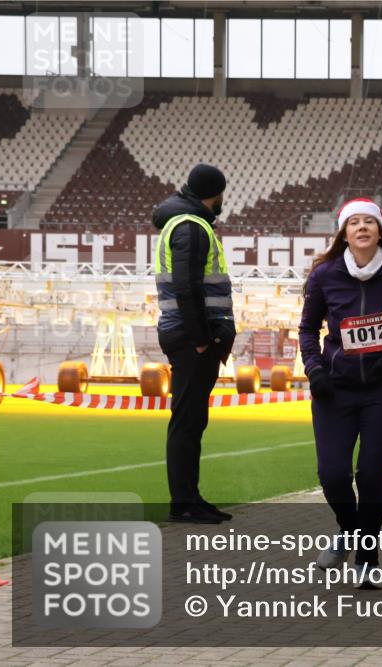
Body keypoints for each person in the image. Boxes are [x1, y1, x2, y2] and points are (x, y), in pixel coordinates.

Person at [299, 198, 382, 587]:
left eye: (370, 221)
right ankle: (347, 530)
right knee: (332, 475)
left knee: (370, 476)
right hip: (335, 390)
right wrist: (314, 368)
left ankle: (367, 558)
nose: (362, 227)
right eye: (354, 222)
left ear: (380, 230)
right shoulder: (325, 275)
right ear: (344, 232)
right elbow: (306, 330)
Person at [154, 164, 236, 524]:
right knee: (187, 421)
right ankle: (184, 503)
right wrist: (203, 340)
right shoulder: (192, 226)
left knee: (191, 420)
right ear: (214, 193)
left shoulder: (183, 222)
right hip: (192, 339)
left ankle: (191, 498)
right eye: (221, 195)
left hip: (187, 336)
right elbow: (188, 287)